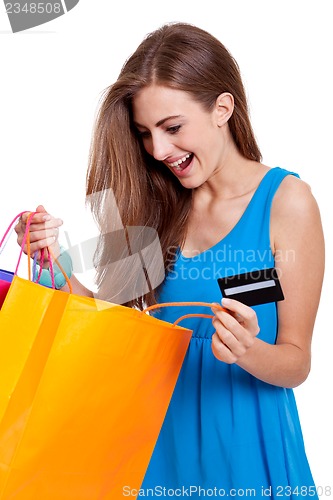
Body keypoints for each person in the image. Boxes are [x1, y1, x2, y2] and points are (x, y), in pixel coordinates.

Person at [15, 22, 325, 498]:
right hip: (157, 446)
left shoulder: (287, 203)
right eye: (145, 133)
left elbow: (297, 362)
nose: (159, 151)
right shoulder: (155, 202)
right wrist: (53, 260)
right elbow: (114, 323)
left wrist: (248, 351)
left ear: (223, 108)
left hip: (247, 450)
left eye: (173, 128)